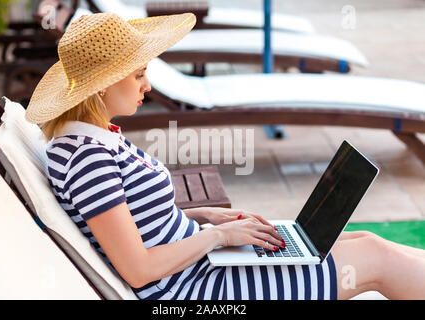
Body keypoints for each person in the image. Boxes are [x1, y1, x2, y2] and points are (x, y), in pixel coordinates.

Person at [25, 12, 425, 300]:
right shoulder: (87, 158)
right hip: (194, 290)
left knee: (359, 239)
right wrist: (218, 236)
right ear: (102, 87)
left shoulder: (92, 139)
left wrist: (201, 217)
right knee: (374, 257)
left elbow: (135, 220)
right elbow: (138, 269)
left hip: (197, 268)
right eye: (138, 74)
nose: (146, 85)